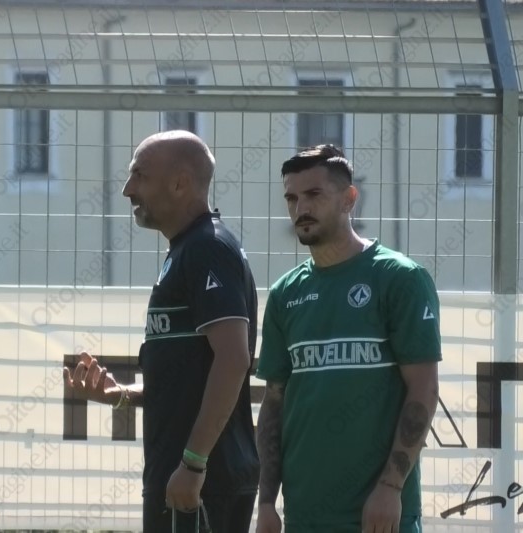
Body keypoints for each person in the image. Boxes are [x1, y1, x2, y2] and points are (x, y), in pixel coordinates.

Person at [63, 130, 260, 532]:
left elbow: (233, 359)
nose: (127, 190)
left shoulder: (207, 248)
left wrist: (194, 463)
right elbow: (186, 381)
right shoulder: (188, 249)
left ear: (180, 183)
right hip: (188, 478)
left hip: (200, 483)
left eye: (139, 175)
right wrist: (119, 395)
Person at [254, 144, 441, 533]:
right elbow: (274, 402)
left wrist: (391, 487)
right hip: (304, 516)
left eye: (314, 194)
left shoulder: (400, 278)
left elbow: (423, 389)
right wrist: (267, 501)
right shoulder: (285, 293)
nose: (301, 208)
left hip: (379, 516)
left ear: (349, 199)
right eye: (292, 198)